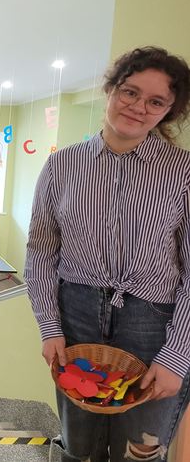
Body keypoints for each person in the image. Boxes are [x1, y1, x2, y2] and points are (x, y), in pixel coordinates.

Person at [25, 46, 190, 462]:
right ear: (112, 89)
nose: (138, 107)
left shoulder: (182, 171)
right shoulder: (61, 166)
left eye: (156, 102)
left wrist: (177, 355)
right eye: (130, 92)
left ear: (168, 112)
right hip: (76, 314)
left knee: (141, 448)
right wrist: (49, 325)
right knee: (78, 445)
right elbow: (41, 251)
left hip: (154, 323)